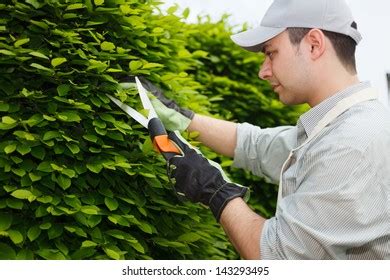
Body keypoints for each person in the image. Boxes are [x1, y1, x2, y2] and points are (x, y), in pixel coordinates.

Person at [145, 0, 390, 259]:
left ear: (314, 44)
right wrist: (183, 118)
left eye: (270, 53)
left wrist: (215, 189)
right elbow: (257, 146)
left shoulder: (351, 142)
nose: (263, 71)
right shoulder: (341, 125)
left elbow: (277, 258)